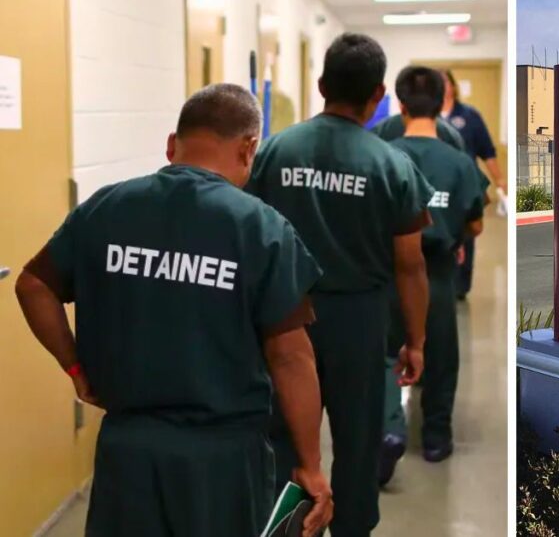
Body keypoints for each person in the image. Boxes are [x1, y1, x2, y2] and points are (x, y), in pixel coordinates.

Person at [14, 83, 332, 537]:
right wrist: (310, 466)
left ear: (171, 145)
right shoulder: (262, 228)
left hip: (126, 451)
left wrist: (75, 368)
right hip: (221, 461)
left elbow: (33, 285)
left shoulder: (107, 208)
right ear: (248, 149)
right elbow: (290, 356)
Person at [245, 33, 433, 537]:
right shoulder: (392, 165)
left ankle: (285, 526)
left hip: (284, 317)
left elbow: (249, 231)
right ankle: (351, 527)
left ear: (322, 84)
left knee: (283, 435)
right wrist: (414, 340)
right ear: (377, 96)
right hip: (360, 321)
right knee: (358, 438)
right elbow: (410, 265)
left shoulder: (275, 151)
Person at [378, 66, 487, 484]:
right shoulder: (460, 162)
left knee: (386, 353)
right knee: (440, 357)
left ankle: (390, 429)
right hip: (438, 275)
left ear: (400, 105)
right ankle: (437, 438)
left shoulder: (382, 155)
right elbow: (476, 224)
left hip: (388, 271)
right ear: (444, 102)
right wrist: (454, 229)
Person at [440, 69, 506, 299]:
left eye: (445, 81)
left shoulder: (469, 115)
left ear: (452, 86)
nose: (442, 86)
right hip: (437, 182)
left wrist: (499, 178)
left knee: (465, 231)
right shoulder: (428, 115)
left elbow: (487, 150)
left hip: (463, 183)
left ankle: (461, 285)